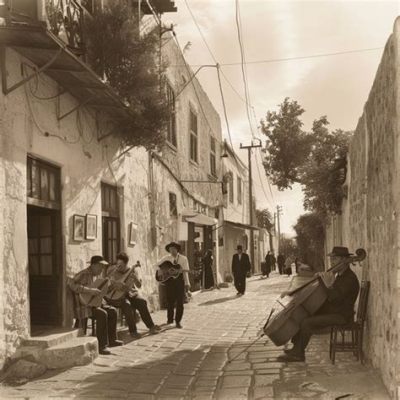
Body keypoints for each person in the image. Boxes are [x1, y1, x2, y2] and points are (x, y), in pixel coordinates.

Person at [277, 246, 360, 362]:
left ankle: (298, 354)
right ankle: (296, 348)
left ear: (344, 260)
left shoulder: (349, 278)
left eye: (335, 259)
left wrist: (329, 285)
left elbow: (335, 299)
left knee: (307, 322)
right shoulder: (340, 276)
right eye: (332, 259)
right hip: (335, 311)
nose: (332, 262)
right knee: (305, 314)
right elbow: (329, 296)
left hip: (342, 316)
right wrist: (319, 280)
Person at [68, 255, 123, 355]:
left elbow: (101, 292)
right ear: (93, 265)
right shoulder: (84, 274)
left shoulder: (97, 276)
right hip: (85, 306)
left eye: (103, 267)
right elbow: (71, 284)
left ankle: (112, 340)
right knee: (102, 314)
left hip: (95, 303)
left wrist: (112, 287)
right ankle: (101, 346)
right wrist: (89, 290)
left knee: (112, 311)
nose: (102, 269)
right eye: (100, 266)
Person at [105, 252, 161, 338]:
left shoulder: (132, 271)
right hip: (116, 296)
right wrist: (115, 283)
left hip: (130, 293)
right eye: (117, 263)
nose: (119, 266)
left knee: (142, 302)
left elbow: (139, 285)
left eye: (121, 265)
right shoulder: (113, 270)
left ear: (126, 264)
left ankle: (151, 326)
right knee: (127, 306)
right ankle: (133, 331)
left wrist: (135, 279)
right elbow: (107, 283)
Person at [155, 242, 190, 329]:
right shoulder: (166, 259)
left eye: (173, 249)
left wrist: (187, 283)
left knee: (180, 302)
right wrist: (161, 271)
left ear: (177, 249)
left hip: (179, 281)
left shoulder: (183, 259)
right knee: (170, 301)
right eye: (170, 249)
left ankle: (178, 321)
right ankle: (170, 319)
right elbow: (156, 265)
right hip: (169, 282)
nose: (172, 251)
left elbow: (185, 272)